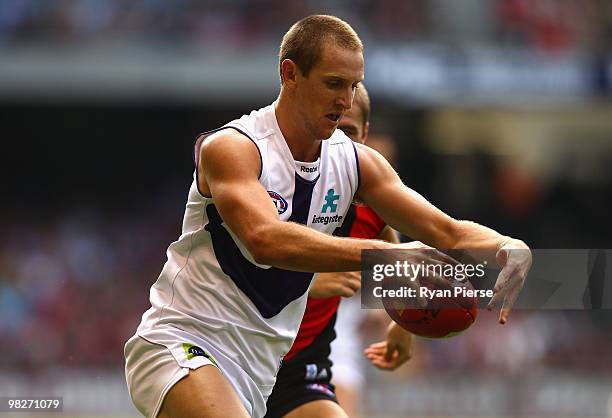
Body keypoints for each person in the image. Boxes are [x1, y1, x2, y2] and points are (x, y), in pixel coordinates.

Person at [124, 14, 532, 418]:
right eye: (334, 84)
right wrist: (384, 257)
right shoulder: (234, 148)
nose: (346, 101)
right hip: (183, 342)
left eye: (353, 86)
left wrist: (509, 246)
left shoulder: (357, 164)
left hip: (262, 368)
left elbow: (445, 230)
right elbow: (264, 240)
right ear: (290, 74)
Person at [264, 85, 409, 418]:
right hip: (238, 347)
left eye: (349, 133)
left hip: (309, 360)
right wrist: (308, 282)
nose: (339, 143)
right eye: (332, 129)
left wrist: (402, 325)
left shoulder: (374, 207)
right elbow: (240, 264)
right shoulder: (271, 182)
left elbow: (402, 262)